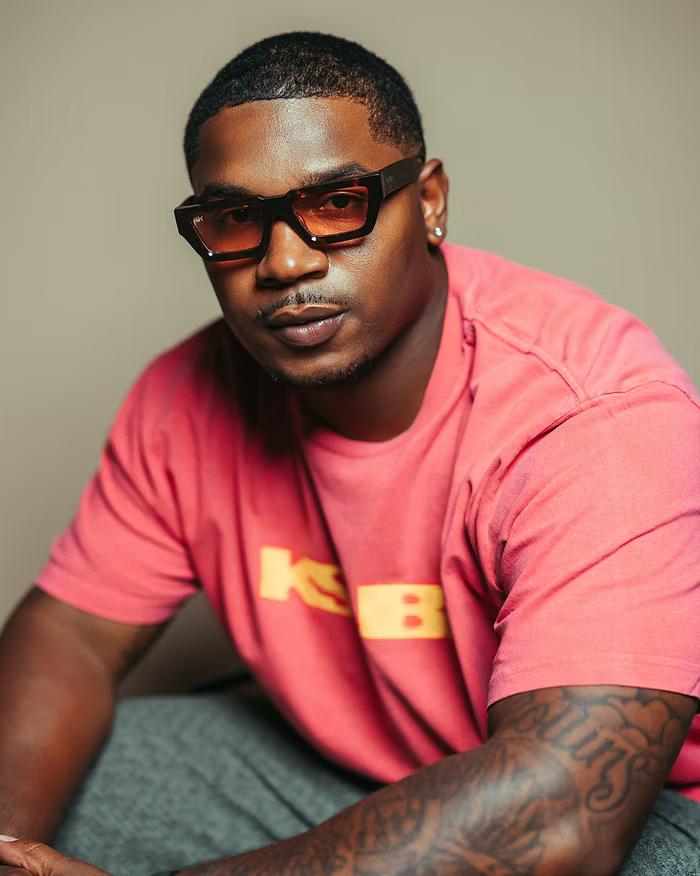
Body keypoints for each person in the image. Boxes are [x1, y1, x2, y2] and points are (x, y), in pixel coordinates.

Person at [0, 30, 699, 876]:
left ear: (429, 201)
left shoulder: (595, 415)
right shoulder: (187, 393)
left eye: (337, 204)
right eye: (236, 219)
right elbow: (73, 635)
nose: (285, 262)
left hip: (640, 814)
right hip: (348, 773)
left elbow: (565, 816)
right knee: (81, 778)